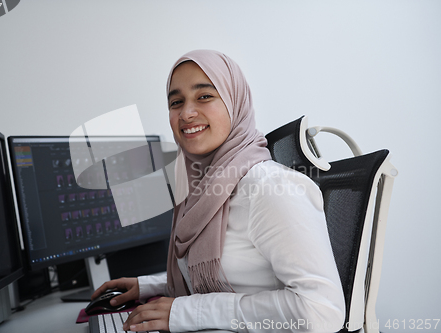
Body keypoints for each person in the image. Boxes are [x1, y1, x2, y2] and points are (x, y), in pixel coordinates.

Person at [91, 50, 345, 332]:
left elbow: (322, 311)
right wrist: (151, 285)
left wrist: (188, 312)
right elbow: (229, 274)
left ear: (234, 103)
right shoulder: (200, 185)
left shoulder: (270, 188)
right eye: (176, 102)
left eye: (204, 96)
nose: (186, 113)